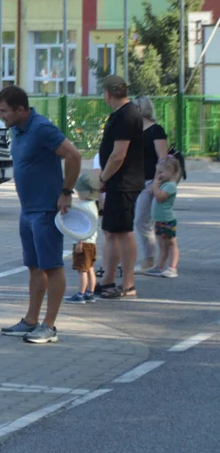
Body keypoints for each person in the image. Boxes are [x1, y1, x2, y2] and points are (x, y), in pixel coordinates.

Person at [0, 85, 81, 345]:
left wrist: (66, 191)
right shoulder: (17, 130)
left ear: (21, 109)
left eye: (5, 111)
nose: (2, 116)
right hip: (27, 209)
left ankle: (49, 326)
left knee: (52, 266)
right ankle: (31, 320)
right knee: (34, 267)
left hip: (45, 210)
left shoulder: (41, 128)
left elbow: (74, 155)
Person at [96, 76, 144, 300]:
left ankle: (128, 284)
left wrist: (103, 177)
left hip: (123, 181)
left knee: (124, 232)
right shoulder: (122, 114)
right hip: (118, 182)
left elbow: (119, 154)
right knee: (111, 231)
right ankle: (107, 281)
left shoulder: (127, 114)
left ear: (108, 93)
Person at [133, 96, 168, 273]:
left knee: (141, 220)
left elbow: (162, 158)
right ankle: (148, 258)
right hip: (134, 181)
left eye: (134, 106)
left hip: (150, 182)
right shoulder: (134, 131)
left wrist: (155, 183)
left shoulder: (156, 130)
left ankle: (149, 259)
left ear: (142, 108)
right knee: (139, 221)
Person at [65, 172, 100, 303]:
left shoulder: (84, 207)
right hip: (92, 242)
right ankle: (90, 293)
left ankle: (80, 294)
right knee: (90, 268)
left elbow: (83, 227)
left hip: (83, 241)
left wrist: (80, 241)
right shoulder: (93, 206)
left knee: (82, 270)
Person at [143, 156, 181, 278]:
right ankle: (160, 267)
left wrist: (155, 186)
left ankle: (172, 268)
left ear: (170, 170)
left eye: (160, 172)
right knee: (162, 245)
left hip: (167, 220)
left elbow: (160, 197)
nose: (157, 175)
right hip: (159, 220)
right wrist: (155, 187)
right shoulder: (163, 184)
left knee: (171, 244)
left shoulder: (170, 186)